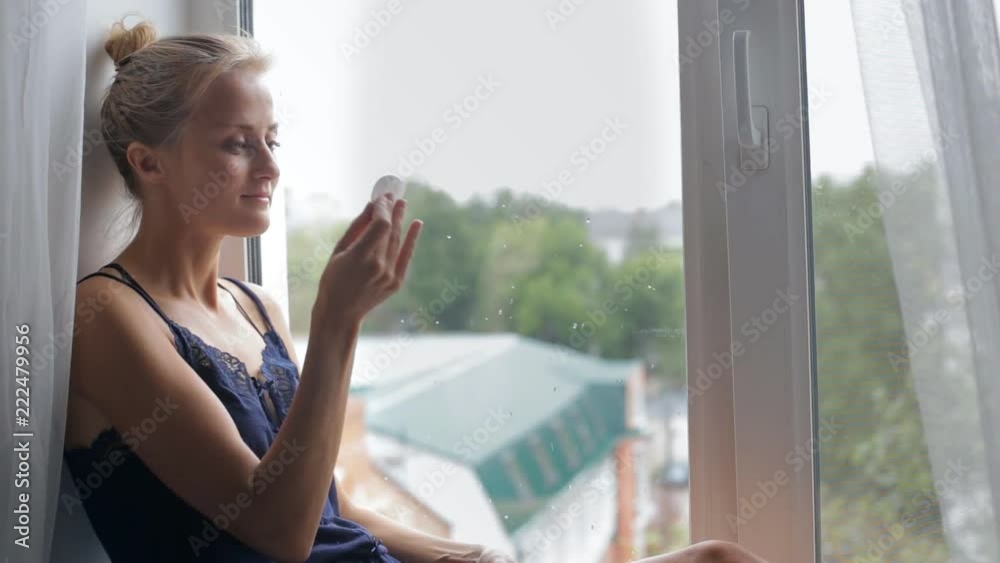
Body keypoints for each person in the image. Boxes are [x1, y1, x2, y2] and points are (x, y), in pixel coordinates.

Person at [63, 18, 770, 563]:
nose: (270, 166)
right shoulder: (106, 315)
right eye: (236, 143)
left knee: (720, 558)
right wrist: (337, 321)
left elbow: (331, 508)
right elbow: (280, 530)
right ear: (149, 163)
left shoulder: (256, 307)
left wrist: (469, 556)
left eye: (272, 139)